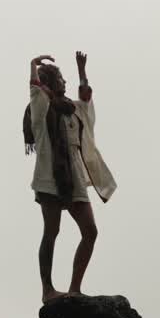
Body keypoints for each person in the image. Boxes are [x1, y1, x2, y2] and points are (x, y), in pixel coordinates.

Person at [25, 51, 116, 303]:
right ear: (50, 84)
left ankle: (75, 288)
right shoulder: (42, 109)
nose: (64, 82)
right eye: (60, 79)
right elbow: (35, 91)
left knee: (90, 231)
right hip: (49, 175)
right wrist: (33, 66)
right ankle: (47, 290)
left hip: (73, 175)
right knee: (51, 231)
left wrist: (82, 71)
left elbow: (86, 99)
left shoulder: (74, 110)